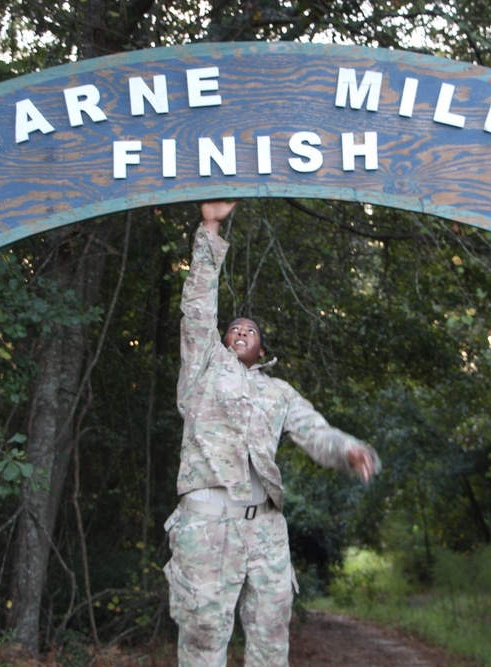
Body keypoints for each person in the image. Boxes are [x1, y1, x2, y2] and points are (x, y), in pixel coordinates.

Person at [163, 200, 380, 667]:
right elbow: (198, 305)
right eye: (234, 328)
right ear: (222, 341)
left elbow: (314, 431)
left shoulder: (278, 391)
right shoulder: (203, 368)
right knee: (202, 637)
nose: (240, 331)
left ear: (261, 350)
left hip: (265, 527)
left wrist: (350, 450)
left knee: (271, 637)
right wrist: (210, 229)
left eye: (251, 331)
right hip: (206, 523)